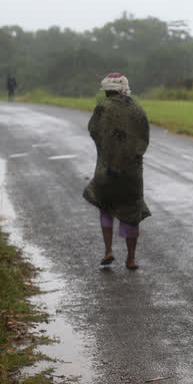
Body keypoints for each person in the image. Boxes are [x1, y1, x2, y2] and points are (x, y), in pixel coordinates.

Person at [82, 73, 151, 270]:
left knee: (105, 206)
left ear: (107, 90)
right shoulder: (137, 109)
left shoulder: (102, 108)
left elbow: (93, 130)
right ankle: (131, 259)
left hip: (107, 170)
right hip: (132, 173)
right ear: (125, 89)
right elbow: (144, 137)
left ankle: (108, 251)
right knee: (132, 212)